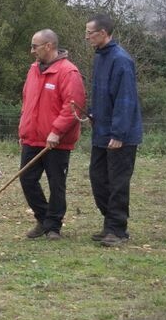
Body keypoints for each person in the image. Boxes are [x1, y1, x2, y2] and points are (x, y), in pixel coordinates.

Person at [19, 29, 86, 240]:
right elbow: (27, 101)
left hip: (57, 142)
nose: (31, 51)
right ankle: (44, 218)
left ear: (48, 46)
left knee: (56, 184)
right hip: (32, 138)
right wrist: (23, 128)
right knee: (27, 179)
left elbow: (73, 106)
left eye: (34, 46)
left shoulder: (68, 72)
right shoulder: (33, 70)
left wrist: (56, 131)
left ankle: (53, 227)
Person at [83, 14, 142, 247]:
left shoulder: (121, 60)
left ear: (103, 33)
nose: (86, 37)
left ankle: (117, 230)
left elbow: (125, 99)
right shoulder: (100, 58)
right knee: (98, 179)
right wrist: (91, 113)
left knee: (117, 181)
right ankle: (110, 223)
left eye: (90, 32)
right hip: (101, 131)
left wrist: (119, 134)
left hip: (121, 136)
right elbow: (100, 92)